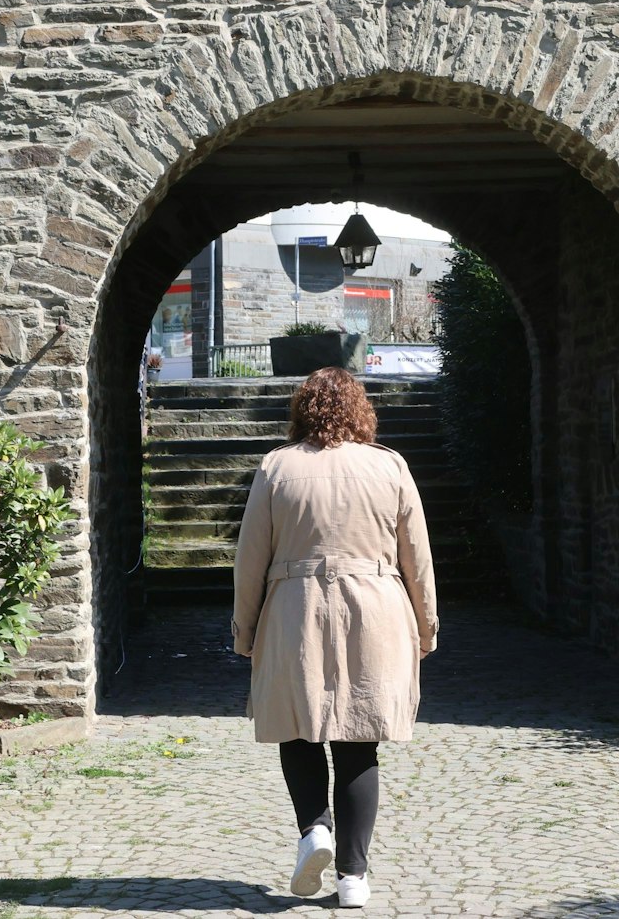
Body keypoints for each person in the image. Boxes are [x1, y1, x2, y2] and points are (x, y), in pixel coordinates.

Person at [230, 366, 439, 909]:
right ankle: (353, 878)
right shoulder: (390, 465)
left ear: (302, 411)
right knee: (358, 739)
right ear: (359, 410)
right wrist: (426, 624)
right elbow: (417, 557)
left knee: (298, 729)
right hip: (375, 608)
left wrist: (245, 630)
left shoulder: (277, 467)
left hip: (294, 609)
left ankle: (314, 831)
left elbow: (249, 560)